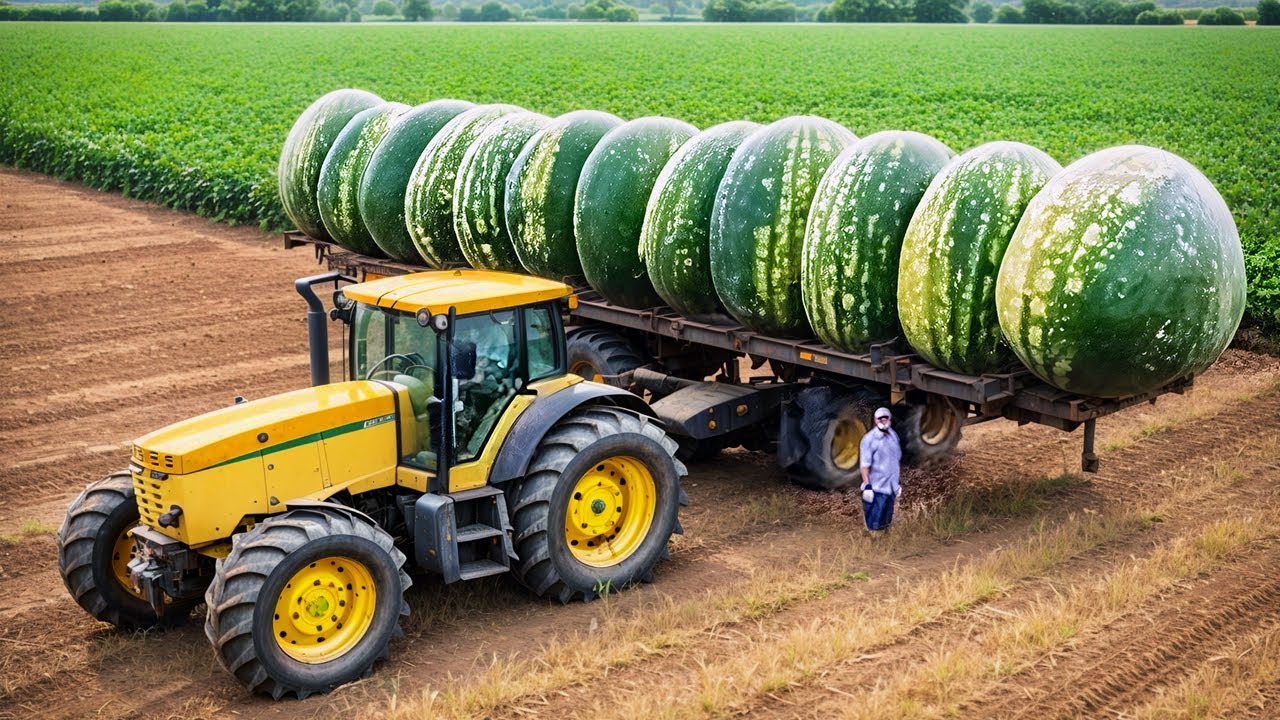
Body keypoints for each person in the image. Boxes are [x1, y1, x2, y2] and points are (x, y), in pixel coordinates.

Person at [859, 407, 902, 532]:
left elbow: (895, 462)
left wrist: (897, 483)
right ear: (875, 420)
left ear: (890, 419)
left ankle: (885, 539)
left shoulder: (893, 436)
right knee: (874, 523)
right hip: (876, 488)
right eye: (880, 418)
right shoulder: (869, 439)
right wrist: (867, 486)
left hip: (890, 488)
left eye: (885, 418)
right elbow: (864, 466)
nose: (883, 421)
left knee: (886, 522)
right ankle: (871, 541)